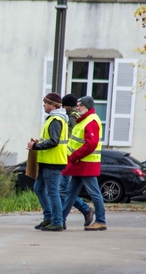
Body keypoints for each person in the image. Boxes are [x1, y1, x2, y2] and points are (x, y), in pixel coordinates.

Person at [62, 96, 107, 231]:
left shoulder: (91, 121)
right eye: (78, 105)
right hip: (79, 163)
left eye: (81, 105)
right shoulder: (84, 120)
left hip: (86, 163)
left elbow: (90, 145)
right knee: (70, 193)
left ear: (88, 106)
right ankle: (60, 218)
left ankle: (100, 220)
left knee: (94, 192)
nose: (78, 107)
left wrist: (74, 156)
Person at [27, 92, 69, 231]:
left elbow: (54, 141)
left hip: (53, 161)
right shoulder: (53, 119)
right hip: (47, 161)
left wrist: (36, 146)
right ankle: (49, 217)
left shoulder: (56, 119)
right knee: (39, 188)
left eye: (46, 103)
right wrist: (39, 142)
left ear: (52, 105)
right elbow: (51, 139)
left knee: (52, 192)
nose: (44, 105)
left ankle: (57, 221)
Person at [60, 94, 95, 228]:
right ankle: (62, 217)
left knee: (63, 190)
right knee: (64, 190)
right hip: (70, 156)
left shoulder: (73, 117)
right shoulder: (72, 116)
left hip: (70, 157)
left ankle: (84, 210)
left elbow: (70, 137)